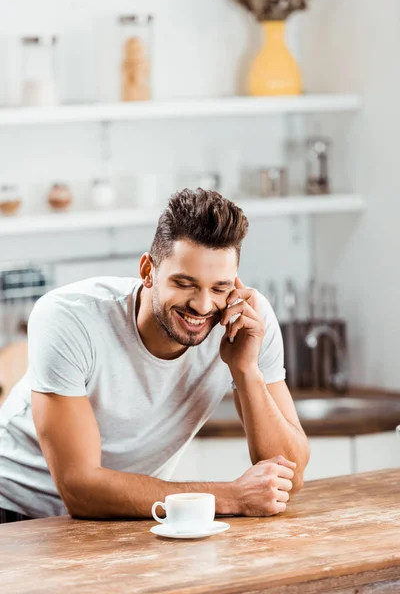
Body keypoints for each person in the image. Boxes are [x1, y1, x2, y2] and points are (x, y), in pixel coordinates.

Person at [0, 188, 309, 524]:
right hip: (13, 511)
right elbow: (80, 488)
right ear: (148, 271)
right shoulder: (69, 318)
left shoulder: (249, 321)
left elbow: (288, 477)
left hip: (125, 515)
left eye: (219, 288)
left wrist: (246, 370)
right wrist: (230, 496)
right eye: (185, 283)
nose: (203, 305)